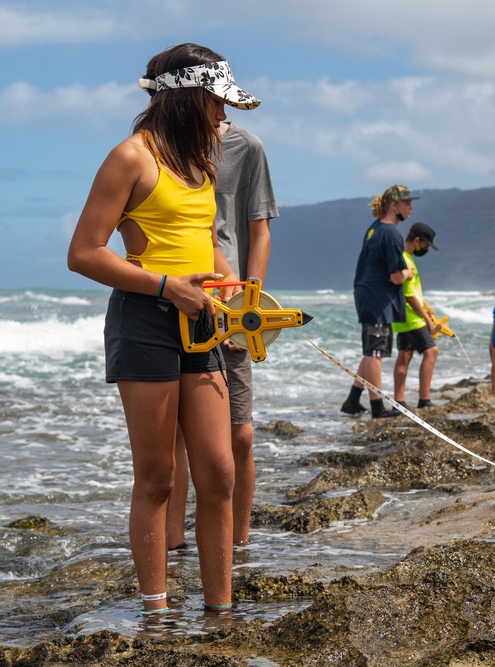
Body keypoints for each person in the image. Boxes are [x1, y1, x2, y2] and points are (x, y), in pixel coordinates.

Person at [66, 43, 261, 614]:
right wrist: (163, 285)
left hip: (202, 322)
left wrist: (239, 298)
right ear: (188, 99)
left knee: (220, 472)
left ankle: (220, 612)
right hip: (145, 319)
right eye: (218, 104)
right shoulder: (130, 158)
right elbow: (83, 253)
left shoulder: (203, 161)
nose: (225, 116)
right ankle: (156, 613)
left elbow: (208, 249)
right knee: (156, 476)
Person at [166, 120, 278, 550]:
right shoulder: (154, 146)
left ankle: (238, 542)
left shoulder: (245, 146)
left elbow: (259, 229)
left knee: (240, 433)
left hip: (229, 304)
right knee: (173, 434)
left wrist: (249, 304)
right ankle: (174, 546)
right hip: (171, 298)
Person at [340, 184, 416, 418]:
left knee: (371, 350)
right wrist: (408, 273)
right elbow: (395, 277)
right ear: (394, 206)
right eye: (406, 203)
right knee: (375, 353)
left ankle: (353, 400)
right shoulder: (392, 233)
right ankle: (377, 408)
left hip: (367, 293)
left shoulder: (374, 229)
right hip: (377, 298)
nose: (410, 208)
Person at [392, 222, 440, 409]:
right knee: (431, 351)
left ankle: (399, 401)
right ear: (417, 240)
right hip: (412, 318)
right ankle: (424, 400)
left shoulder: (405, 258)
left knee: (405, 354)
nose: (425, 249)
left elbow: (412, 292)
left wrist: (426, 306)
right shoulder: (405, 260)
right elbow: (409, 296)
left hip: (403, 317)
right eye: (425, 246)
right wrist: (428, 321)